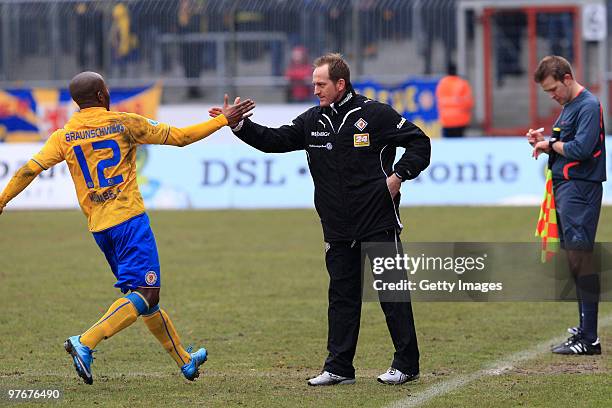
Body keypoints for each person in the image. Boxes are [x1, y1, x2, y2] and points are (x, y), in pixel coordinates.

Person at [0, 72, 255, 384]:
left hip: (100, 228)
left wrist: (1, 202)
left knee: (147, 299)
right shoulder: (125, 123)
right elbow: (181, 137)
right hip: (129, 222)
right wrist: (223, 121)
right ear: (102, 95)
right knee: (146, 292)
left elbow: (28, 170)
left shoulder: (63, 137)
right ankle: (86, 341)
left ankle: (185, 361)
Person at [210, 53, 430, 385]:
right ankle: (339, 367)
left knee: (391, 292)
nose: (314, 90)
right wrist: (238, 125)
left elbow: (419, 142)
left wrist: (399, 176)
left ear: (340, 84)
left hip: (377, 219)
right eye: (313, 83)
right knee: (341, 296)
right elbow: (275, 140)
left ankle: (407, 364)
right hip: (336, 224)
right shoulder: (312, 120)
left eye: (320, 84)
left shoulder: (375, 114)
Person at [529, 55, 605, 355]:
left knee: (581, 257)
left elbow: (582, 149)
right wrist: (543, 139)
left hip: (581, 190)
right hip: (567, 188)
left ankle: (589, 338)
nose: (552, 96)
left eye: (552, 90)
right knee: (574, 259)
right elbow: (566, 143)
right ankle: (584, 329)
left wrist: (550, 144)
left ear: (567, 79)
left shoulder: (588, 105)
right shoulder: (570, 107)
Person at [435, 62, 474, 138]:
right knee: (459, 145)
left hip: (446, 121)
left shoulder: (442, 84)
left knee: (448, 145)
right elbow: (469, 103)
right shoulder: (462, 83)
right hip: (461, 121)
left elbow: (439, 100)